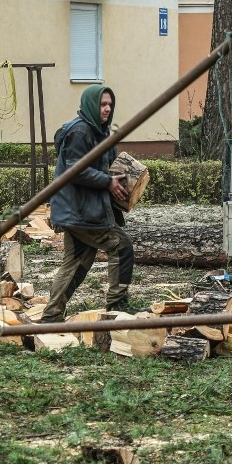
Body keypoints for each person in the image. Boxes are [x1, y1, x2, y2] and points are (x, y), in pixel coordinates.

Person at [40, 85, 135, 323]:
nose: (107, 109)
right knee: (121, 246)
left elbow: (109, 166)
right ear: (92, 105)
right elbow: (75, 170)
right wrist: (107, 182)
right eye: (103, 104)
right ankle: (117, 306)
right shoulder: (81, 131)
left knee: (78, 260)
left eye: (110, 105)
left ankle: (51, 315)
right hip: (80, 211)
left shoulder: (101, 132)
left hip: (84, 210)